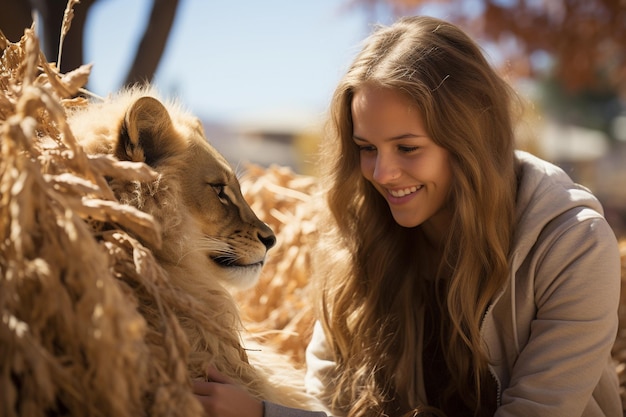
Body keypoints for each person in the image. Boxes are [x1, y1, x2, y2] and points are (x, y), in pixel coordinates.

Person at [192, 15, 622, 417]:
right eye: (367, 148)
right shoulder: (358, 242)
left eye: (408, 148)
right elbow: (332, 404)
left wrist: (265, 415)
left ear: (471, 140)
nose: (382, 174)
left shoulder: (573, 245)